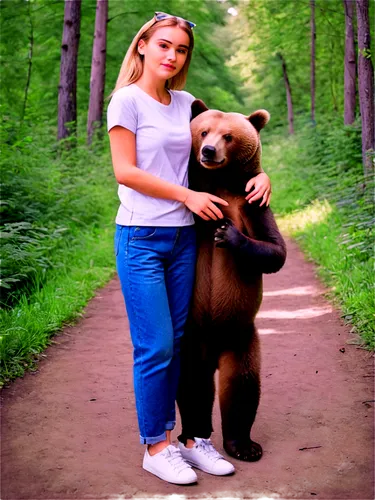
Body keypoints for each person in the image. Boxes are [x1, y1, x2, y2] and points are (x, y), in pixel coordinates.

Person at [107, 12, 272, 485]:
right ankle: (155, 445)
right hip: (141, 236)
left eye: (180, 49)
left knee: (184, 347)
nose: (171, 56)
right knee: (156, 346)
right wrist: (187, 196)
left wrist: (262, 175)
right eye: (163, 45)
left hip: (183, 238)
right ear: (142, 46)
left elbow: (231, 137)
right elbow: (126, 171)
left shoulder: (185, 106)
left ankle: (194, 438)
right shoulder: (126, 102)